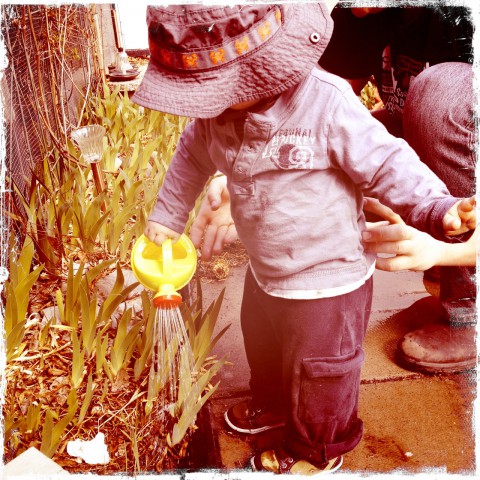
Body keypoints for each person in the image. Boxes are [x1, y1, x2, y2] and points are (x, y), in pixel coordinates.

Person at [132, 3, 476, 474]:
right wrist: (168, 217)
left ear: (256, 72)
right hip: (268, 267)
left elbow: (387, 164)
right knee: (266, 345)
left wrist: (437, 209)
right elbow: (189, 159)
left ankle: (320, 447)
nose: (202, 103)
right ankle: (274, 404)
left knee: (321, 373)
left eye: (208, 90)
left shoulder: (327, 104)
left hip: (328, 281)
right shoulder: (215, 115)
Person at [319, 5, 476, 374]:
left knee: (440, 96)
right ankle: (449, 280)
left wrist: (446, 249)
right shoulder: (361, 14)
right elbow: (323, 107)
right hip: (437, 123)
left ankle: (470, 308)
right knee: (343, 143)